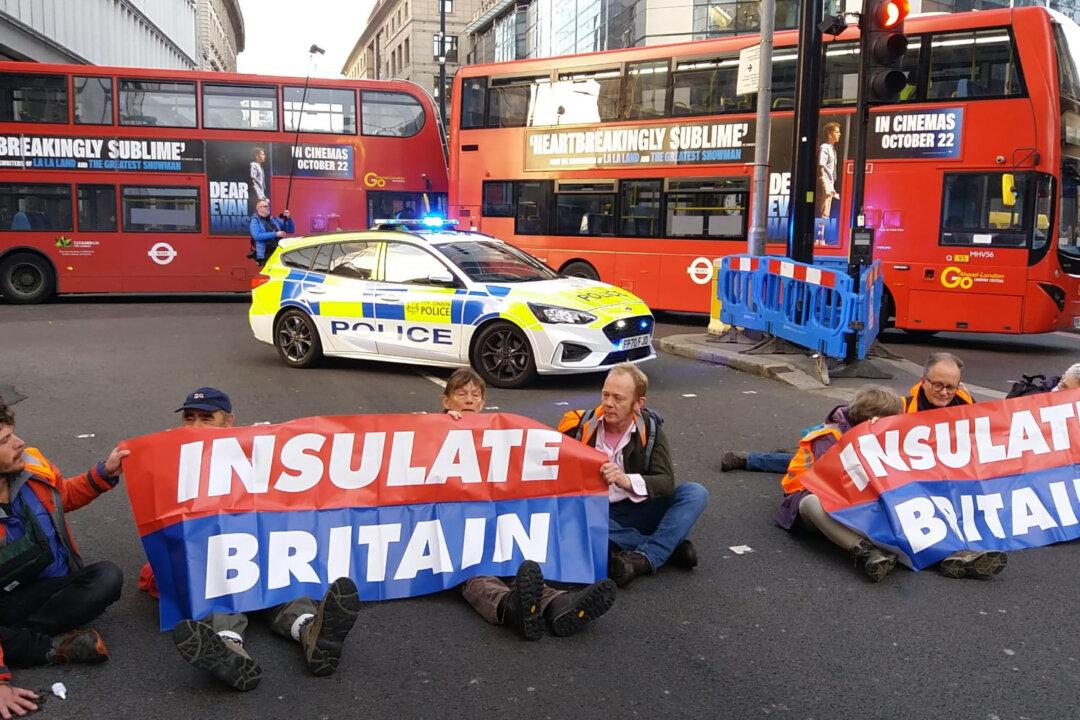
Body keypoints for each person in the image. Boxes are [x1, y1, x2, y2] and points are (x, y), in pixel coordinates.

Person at [149, 388, 361, 692]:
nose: (195, 426)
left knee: (286, 585)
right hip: (215, 567)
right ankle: (229, 652)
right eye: (189, 418)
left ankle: (312, 632)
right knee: (217, 595)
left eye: (206, 418)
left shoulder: (258, 453)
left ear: (229, 422)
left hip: (262, 559)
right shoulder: (170, 459)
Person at [444, 369, 617, 640]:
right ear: (446, 401)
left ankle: (558, 605)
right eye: (461, 393)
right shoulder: (435, 429)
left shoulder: (500, 430)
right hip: (458, 532)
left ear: (483, 401)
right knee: (476, 574)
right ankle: (509, 608)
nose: (468, 400)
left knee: (517, 566)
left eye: (475, 395)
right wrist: (443, 424)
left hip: (496, 525)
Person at [777, 385, 1006, 581]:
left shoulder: (885, 438)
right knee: (811, 503)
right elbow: (834, 484)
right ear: (868, 422)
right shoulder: (827, 438)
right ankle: (865, 551)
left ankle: (952, 554)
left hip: (864, 504)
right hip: (819, 503)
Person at [0, 399, 127, 717]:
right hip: (7, 601)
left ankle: (15, 642)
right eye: (5, 441)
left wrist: (103, 474)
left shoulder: (30, 467)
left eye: (13, 434)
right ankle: (46, 648)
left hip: (51, 588)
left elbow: (61, 498)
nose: (19, 442)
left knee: (107, 577)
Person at [560, 363, 708, 587]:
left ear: (638, 403)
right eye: (605, 395)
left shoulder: (651, 430)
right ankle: (666, 550)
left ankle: (644, 558)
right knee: (576, 530)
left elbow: (666, 482)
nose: (608, 404)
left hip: (638, 509)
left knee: (695, 493)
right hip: (595, 513)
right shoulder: (579, 426)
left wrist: (625, 479)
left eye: (618, 398)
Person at [904, 352, 974, 412]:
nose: (943, 393)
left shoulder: (967, 404)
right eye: (938, 385)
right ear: (923, 382)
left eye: (950, 387)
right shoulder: (902, 410)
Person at [249, 199, 294, 265]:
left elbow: (291, 229)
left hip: (278, 252)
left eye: (268, 206)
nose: (268, 208)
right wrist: (275, 234)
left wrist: (288, 219)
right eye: (265, 206)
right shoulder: (255, 222)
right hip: (265, 254)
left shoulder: (274, 220)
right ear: (259, 209)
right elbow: (257, 236)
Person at [816, 122, 840, 219]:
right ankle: (821, 233)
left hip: (830, 186)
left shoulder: (832, 149)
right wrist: (825, 186)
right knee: (824, 214)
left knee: (827, 213)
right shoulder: (824, 148)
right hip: (825, 186)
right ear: (830, 134)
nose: (839, 134)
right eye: (837, 132)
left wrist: (832, 189)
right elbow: (820, 168)